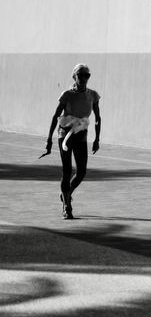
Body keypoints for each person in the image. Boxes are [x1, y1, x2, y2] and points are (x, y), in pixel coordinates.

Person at [45, 64, 102, 220]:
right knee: (67, 171)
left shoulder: (93, 95)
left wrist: (97, 138)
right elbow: (55, 115)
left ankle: (66, 193)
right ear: (74, 77)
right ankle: (67, 206)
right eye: (80, 75)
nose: (84, 78)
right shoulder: (67, 95)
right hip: (65, 134)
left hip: (81, 135)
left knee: (82, 172)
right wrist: (49, 138)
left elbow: (97, 118)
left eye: (87, 75)